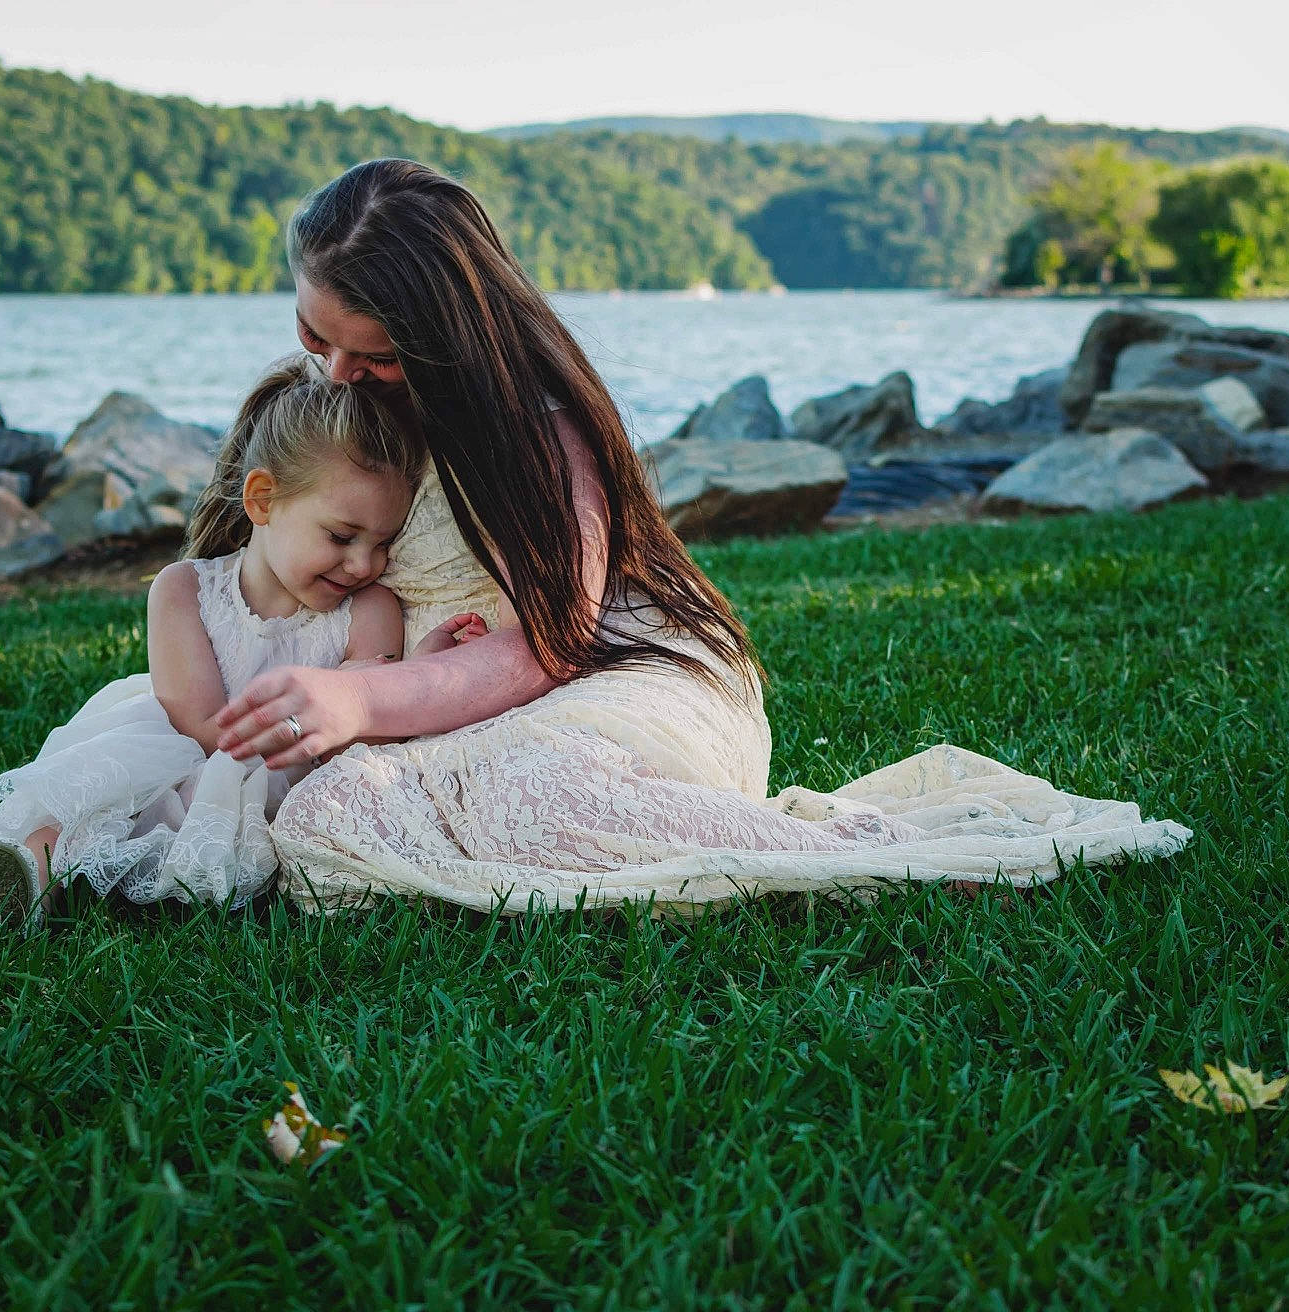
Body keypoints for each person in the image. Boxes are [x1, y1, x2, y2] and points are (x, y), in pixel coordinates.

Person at [215, 159, 1193, 914]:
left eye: (373, 354)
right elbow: (244, 571)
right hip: (433, 691)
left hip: (609, 679)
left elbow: (548, 647)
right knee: (325, 827)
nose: (335, 373)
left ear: (446, 334)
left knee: (531, 793)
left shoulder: (537, 431)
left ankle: (865, 857)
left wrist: (364, 696)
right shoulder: (330, 415)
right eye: (314, 338)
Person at [0, 354, 486, 926]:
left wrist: (414, 671)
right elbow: (195, 719)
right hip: (185, 749)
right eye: (341, 536)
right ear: (262, 501)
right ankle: (12, 882)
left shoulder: (369, 607)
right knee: (99, 802)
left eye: (383, 543)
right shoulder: (185, 589)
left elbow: (365, 709)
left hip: (286, 783)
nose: (364, 563)